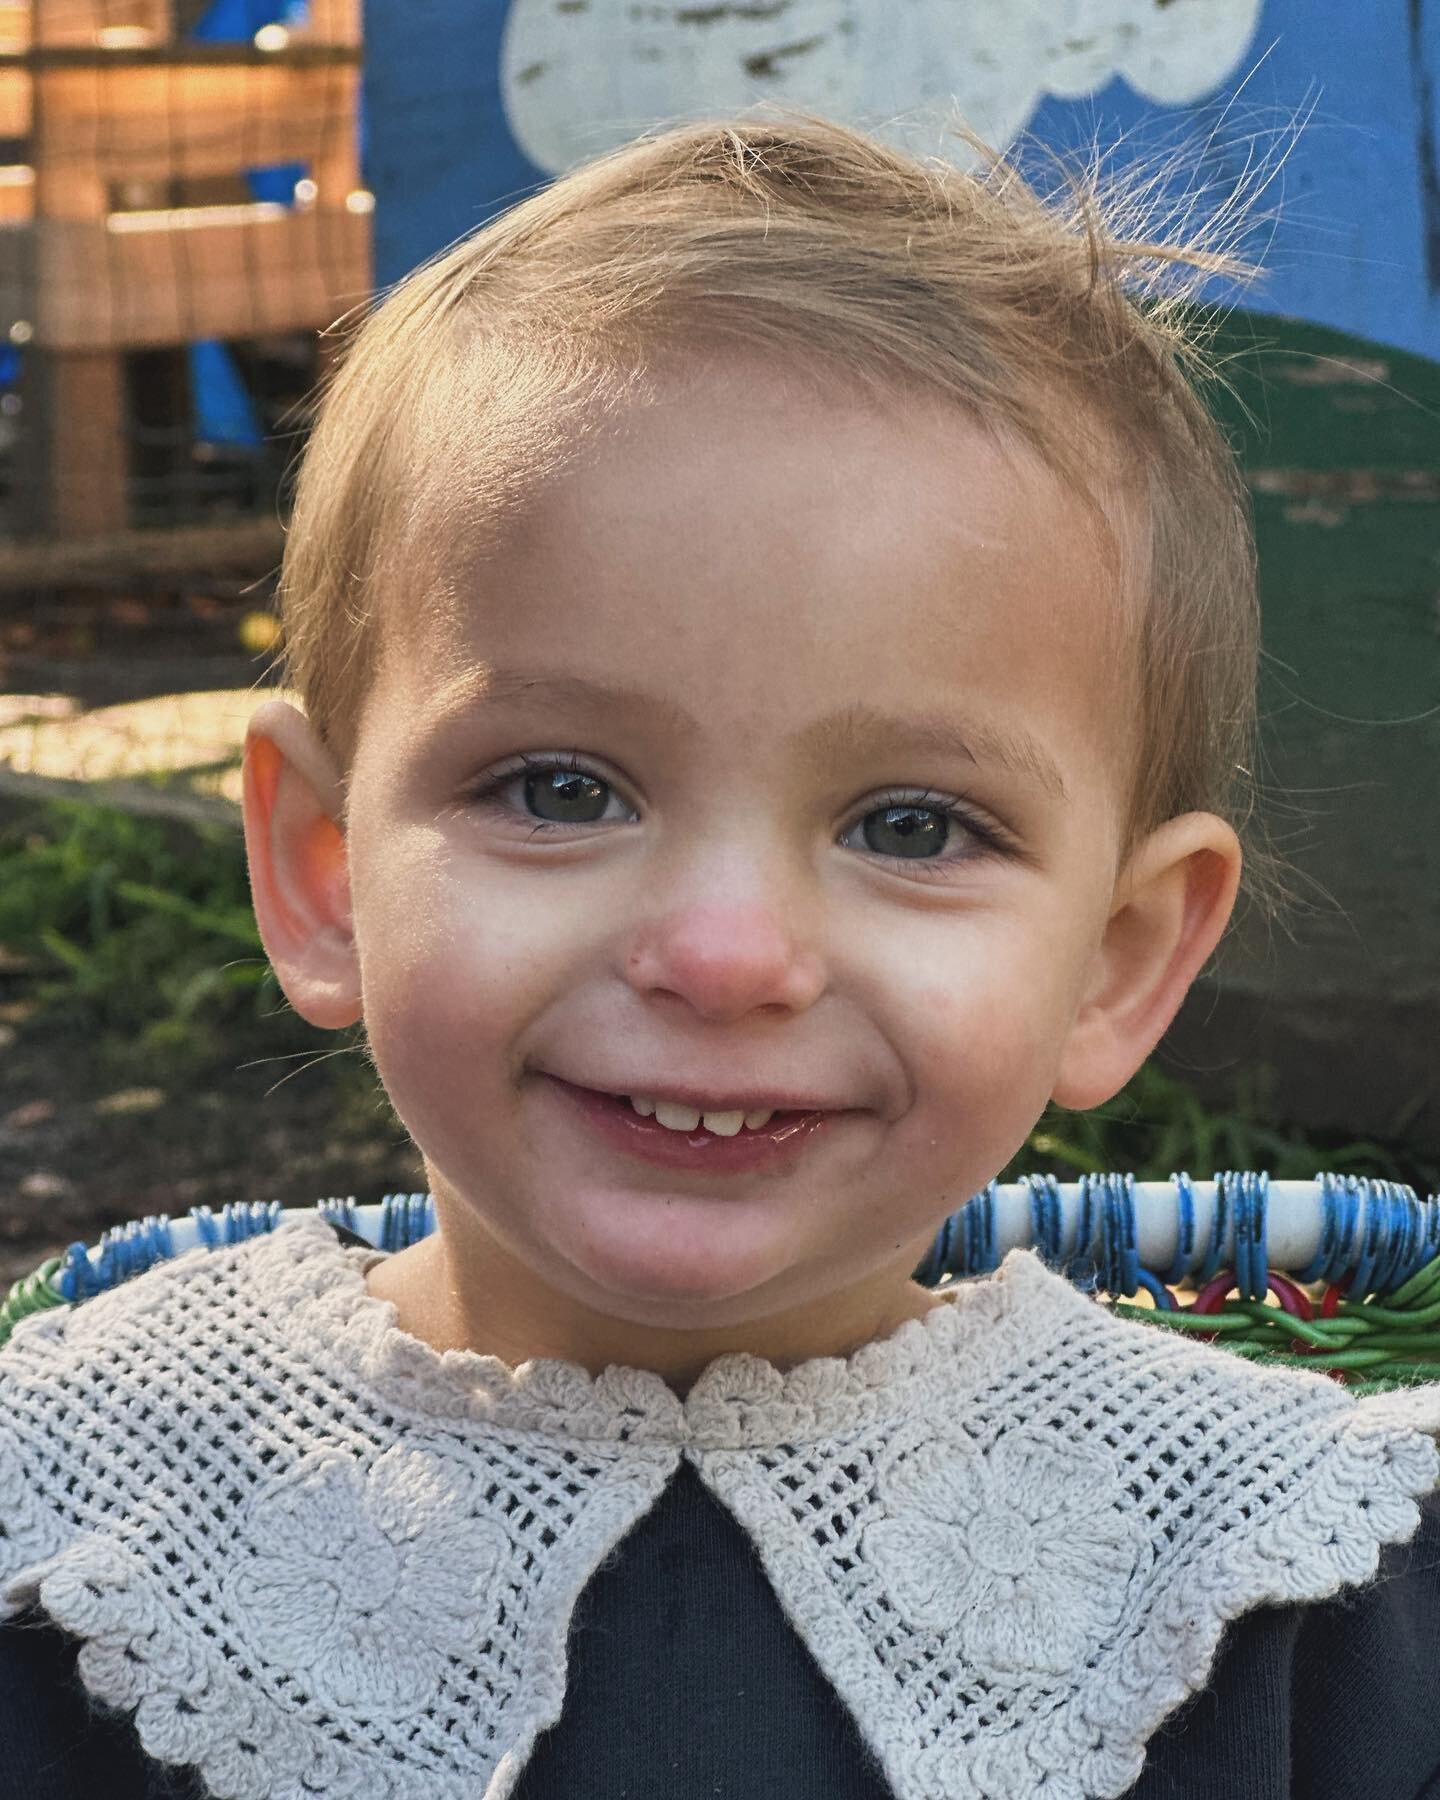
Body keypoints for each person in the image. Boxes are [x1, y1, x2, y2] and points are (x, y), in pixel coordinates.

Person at [1, 108, 1438, 1800]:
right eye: (558, 788)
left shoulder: (1294, 1581)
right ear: (323, 870)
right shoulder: (79, 1525)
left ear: (1119, 960)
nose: (727, 953)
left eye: (913, 825)